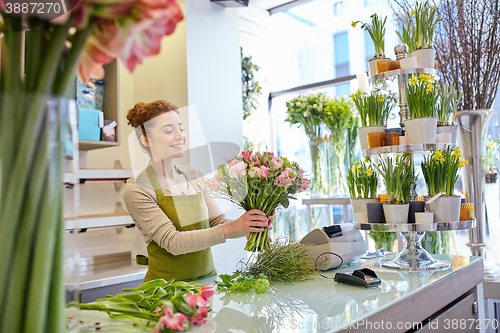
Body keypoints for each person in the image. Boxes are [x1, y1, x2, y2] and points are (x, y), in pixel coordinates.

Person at [123, 100, 272, 282]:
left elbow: (218, 222)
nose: (180, 136)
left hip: (207, 282)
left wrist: (252, 223)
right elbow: (173, 242)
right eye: (169, 131)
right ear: (146, 139)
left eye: (181, 129)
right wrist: (234, 227)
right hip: (165, 289)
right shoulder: (138, 188)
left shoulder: (194, 176)